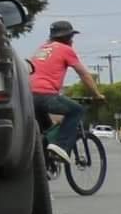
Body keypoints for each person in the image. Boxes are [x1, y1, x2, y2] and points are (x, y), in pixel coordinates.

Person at [30, 18, 91, 156]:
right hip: (45, 95)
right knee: (77, 110)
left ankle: (44, 160)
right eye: (72, 37)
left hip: (29, 96)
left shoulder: (42, 49)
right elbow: (84, 74)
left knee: (46, 130)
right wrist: (97, 94)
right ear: (67, 37)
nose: (73, 41)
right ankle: (61, 147)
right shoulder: (65, 49)